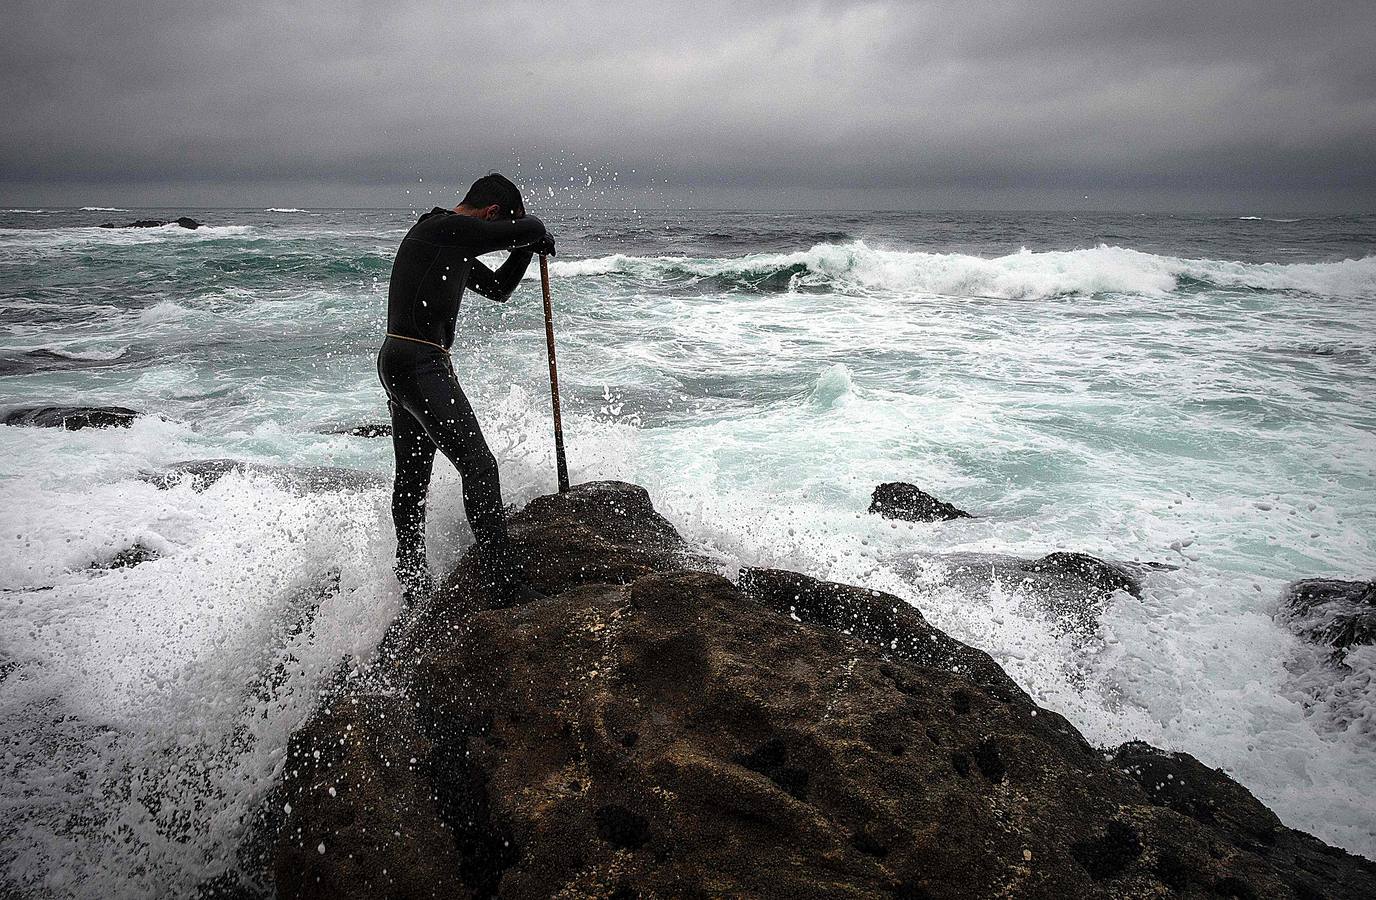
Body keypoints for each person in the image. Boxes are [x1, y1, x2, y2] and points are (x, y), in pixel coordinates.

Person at [376, 172, 555, 603]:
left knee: (413, 482)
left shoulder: (445, 240)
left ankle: (414, 584)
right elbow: (528, 228)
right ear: (492, 214)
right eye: (499, 224)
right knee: (479, 466)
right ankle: (502, 583)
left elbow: (498, 289)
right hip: (420, 363)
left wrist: (527, 254)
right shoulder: (443, 228)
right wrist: (533, 233)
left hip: (402, 360)